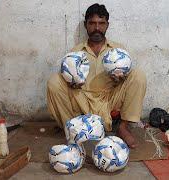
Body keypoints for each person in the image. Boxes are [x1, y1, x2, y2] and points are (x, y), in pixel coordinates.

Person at [47, 3, 146, 148]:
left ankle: (123, 127)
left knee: (138, 75)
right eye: (92, 23)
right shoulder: (76, 52)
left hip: (109, 100)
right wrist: (71, 83)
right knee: (54, 81)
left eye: (101, 23)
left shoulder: (118, 51)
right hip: (82, 100)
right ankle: (73, 129)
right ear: (86, 25)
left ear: (107, 25)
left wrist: (121, 80)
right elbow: (68, 78)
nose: (97, 28)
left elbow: (128, 78)